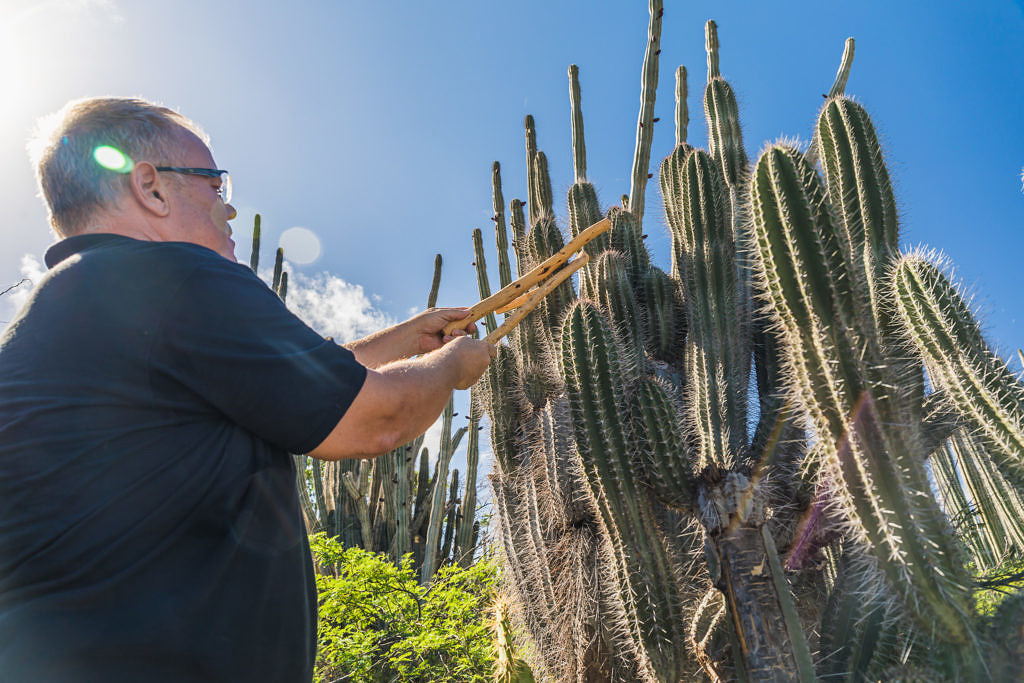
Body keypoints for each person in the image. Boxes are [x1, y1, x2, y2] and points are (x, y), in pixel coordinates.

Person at [0, 97, 496, 682]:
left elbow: (296, 381)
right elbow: (373, 418)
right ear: (151, 189)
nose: (229, 207)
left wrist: (409, 341)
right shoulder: (178, 277)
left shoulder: (69, 312)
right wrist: (452, 367)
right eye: (214, 182)